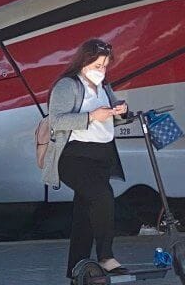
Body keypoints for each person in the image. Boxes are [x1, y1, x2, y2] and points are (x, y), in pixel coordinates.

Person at [41, 38, 129, 281]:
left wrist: (120, 110)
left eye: (104, 65)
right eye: (97, 65)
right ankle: (106, 256)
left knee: (85, 213)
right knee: (102, 197)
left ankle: (76, 269)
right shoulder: (67, 85)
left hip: (101, 156)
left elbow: (109, 114)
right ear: (83, 62)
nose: (101, 70)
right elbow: (56, 121)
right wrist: (90, 116)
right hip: (74, 156)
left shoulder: (103, 87)